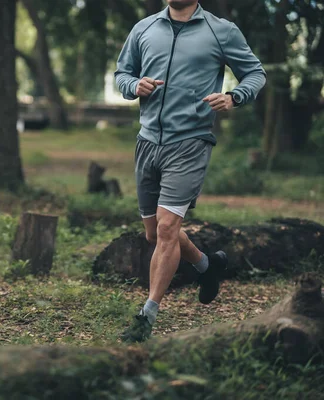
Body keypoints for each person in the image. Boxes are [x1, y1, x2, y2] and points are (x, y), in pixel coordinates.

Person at [114, 0, 266, 342]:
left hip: (191, 143)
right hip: (147, 141)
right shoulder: (144, 28)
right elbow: (122, 74)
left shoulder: (221, 30)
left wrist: (235, 96)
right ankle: (207, 266)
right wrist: (133, 86)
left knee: (167, 228)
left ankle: (146, 317)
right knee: (154, 234)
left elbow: (256, 73)